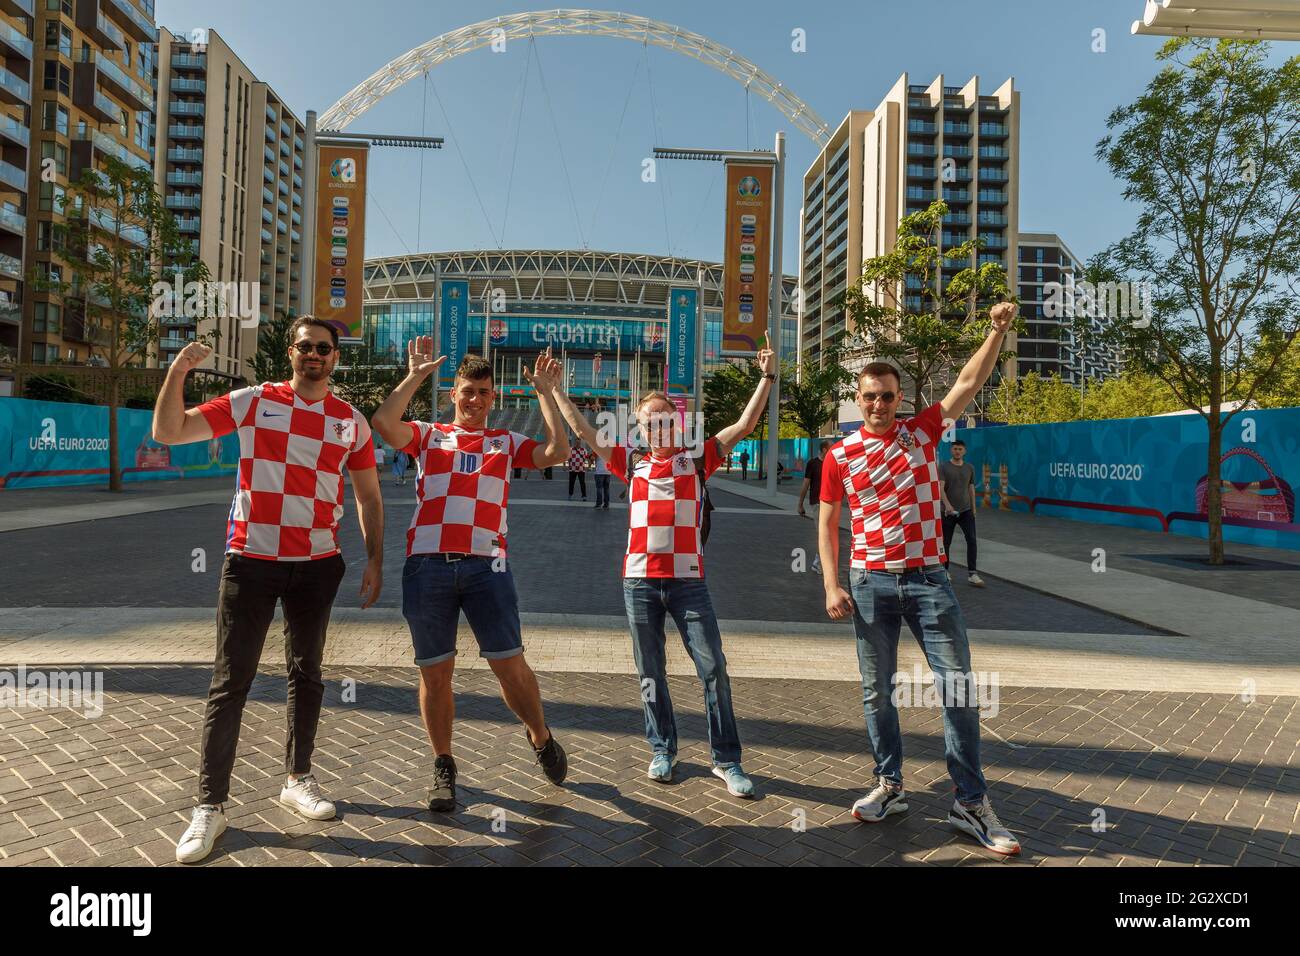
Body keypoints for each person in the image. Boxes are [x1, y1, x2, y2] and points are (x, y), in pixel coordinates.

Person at [152, 318, 384, 864]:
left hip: (318, 565)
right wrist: (178, 370)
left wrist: (375, 558)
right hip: (250, 561)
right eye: (306, 347)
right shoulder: (253, 402)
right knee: (231, 682)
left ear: (335, 358)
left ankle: (297, 780)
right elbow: (169, 431)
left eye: (324, 349)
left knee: (308, 675)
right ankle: (209, 807)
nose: (315, 356)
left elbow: (368, 496)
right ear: (291, 352)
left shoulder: (350, 422)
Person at [819, 302, 1021, 856]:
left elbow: (968, 379)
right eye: (870, 396)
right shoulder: (840, 455)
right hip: (869, 584)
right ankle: (890, 785)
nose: (879, 404)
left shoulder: (923, 432)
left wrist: (994, 332)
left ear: (900, 398)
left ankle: (970, 802)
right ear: (857, 401)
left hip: (930, 580)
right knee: (876, 691)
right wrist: (831, 584)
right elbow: (828, 521)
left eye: (888, 395)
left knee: (957, 686)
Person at [545, 349, 778, 799]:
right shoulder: (629, 464)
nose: (658, 427)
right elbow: (582, 431)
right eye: (649, 421)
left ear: (679, 422)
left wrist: (767, 376)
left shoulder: (699, 461)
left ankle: (727, 760)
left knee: (714, 669)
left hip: (689, 582)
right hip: (640, 584)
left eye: (665, 419)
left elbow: (746, 425)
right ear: (640, 428)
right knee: (650, 670)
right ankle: (662, 749)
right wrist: (556, 391)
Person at [370, 339, 571, 814]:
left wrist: (545, 392)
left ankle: (540, 736)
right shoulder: (428, 435)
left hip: (488, 567)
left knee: (509, 666)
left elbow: (557, 451)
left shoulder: (503, 444)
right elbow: (382, 424)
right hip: (426, 566)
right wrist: (417, 374)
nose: (474, 399)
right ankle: (444, 764)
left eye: (483, 392)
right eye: (466, 391)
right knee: (435, 673)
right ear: (453, 393)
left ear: (493, 397)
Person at [940, 439, 984, 588]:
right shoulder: (944, 467)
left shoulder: (969, 468)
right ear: (951, 451)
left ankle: (973, 573)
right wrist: (947, 505)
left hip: (966, 511)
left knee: (972, 540)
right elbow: (940, 488)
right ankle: (945, 571)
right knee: (946, 542)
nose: (957, 451)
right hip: (947, 512)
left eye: (960, 449)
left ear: (964, 451)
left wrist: (974, 508)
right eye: (955, 449)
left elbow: (971, 488)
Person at [798, 441, 830, 573]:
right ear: (824, 449)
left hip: (830, 504)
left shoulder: (833, 462)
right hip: (817, 502)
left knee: (827, 534)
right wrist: (800, 504)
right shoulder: (813, 463)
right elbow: (806, 484)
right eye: (831, 447)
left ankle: (818, 561)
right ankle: (819, 563)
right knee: (822, 533)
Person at [592, 444, 611, 508]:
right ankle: (606, 504)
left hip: (599, 471)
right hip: (608, 472)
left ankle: (599, 503)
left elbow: (592, 458)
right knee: (606, 489)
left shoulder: (597, 448)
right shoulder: (609, 449)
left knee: (599, 488)